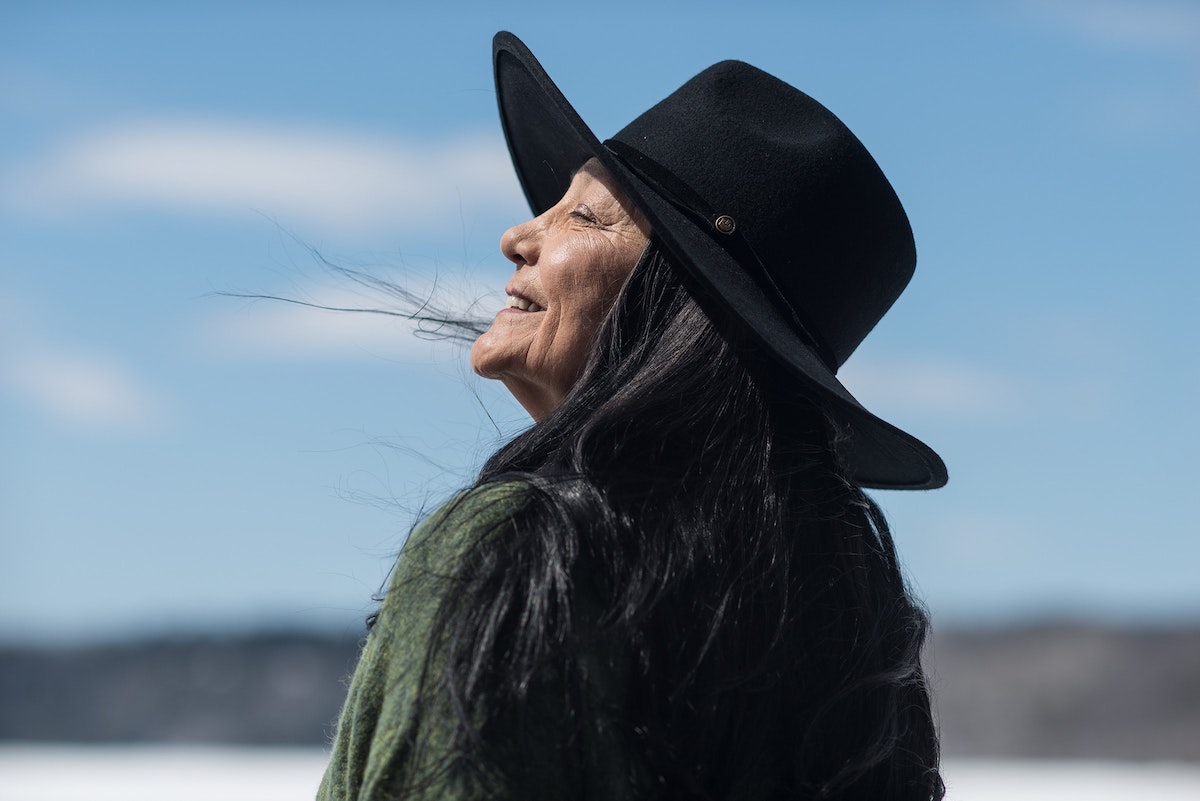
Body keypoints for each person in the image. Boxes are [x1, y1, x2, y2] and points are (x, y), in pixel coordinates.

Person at [317, 31, 947, 801]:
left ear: (681, 310)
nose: (520, 234)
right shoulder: (856, 636)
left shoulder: (524, 552)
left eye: (584, 216)